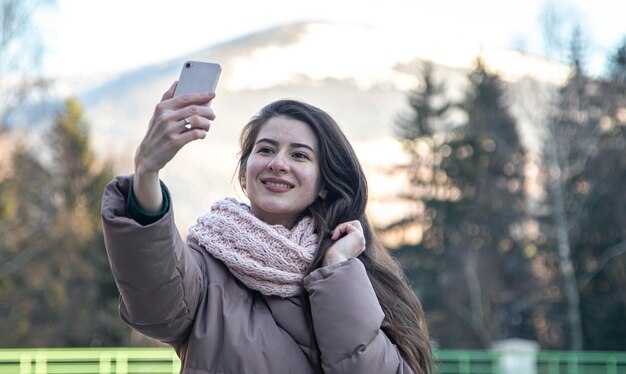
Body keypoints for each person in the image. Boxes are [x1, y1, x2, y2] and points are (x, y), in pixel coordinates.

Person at [101, 81, 434, 374]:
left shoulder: (357, 276)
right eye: (266, 149)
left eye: (300, 156)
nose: (278, 163)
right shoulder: (203, 269)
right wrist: (147, 173)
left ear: (324, 184)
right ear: (246, 174)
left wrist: (338, 272)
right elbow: (153, 306)